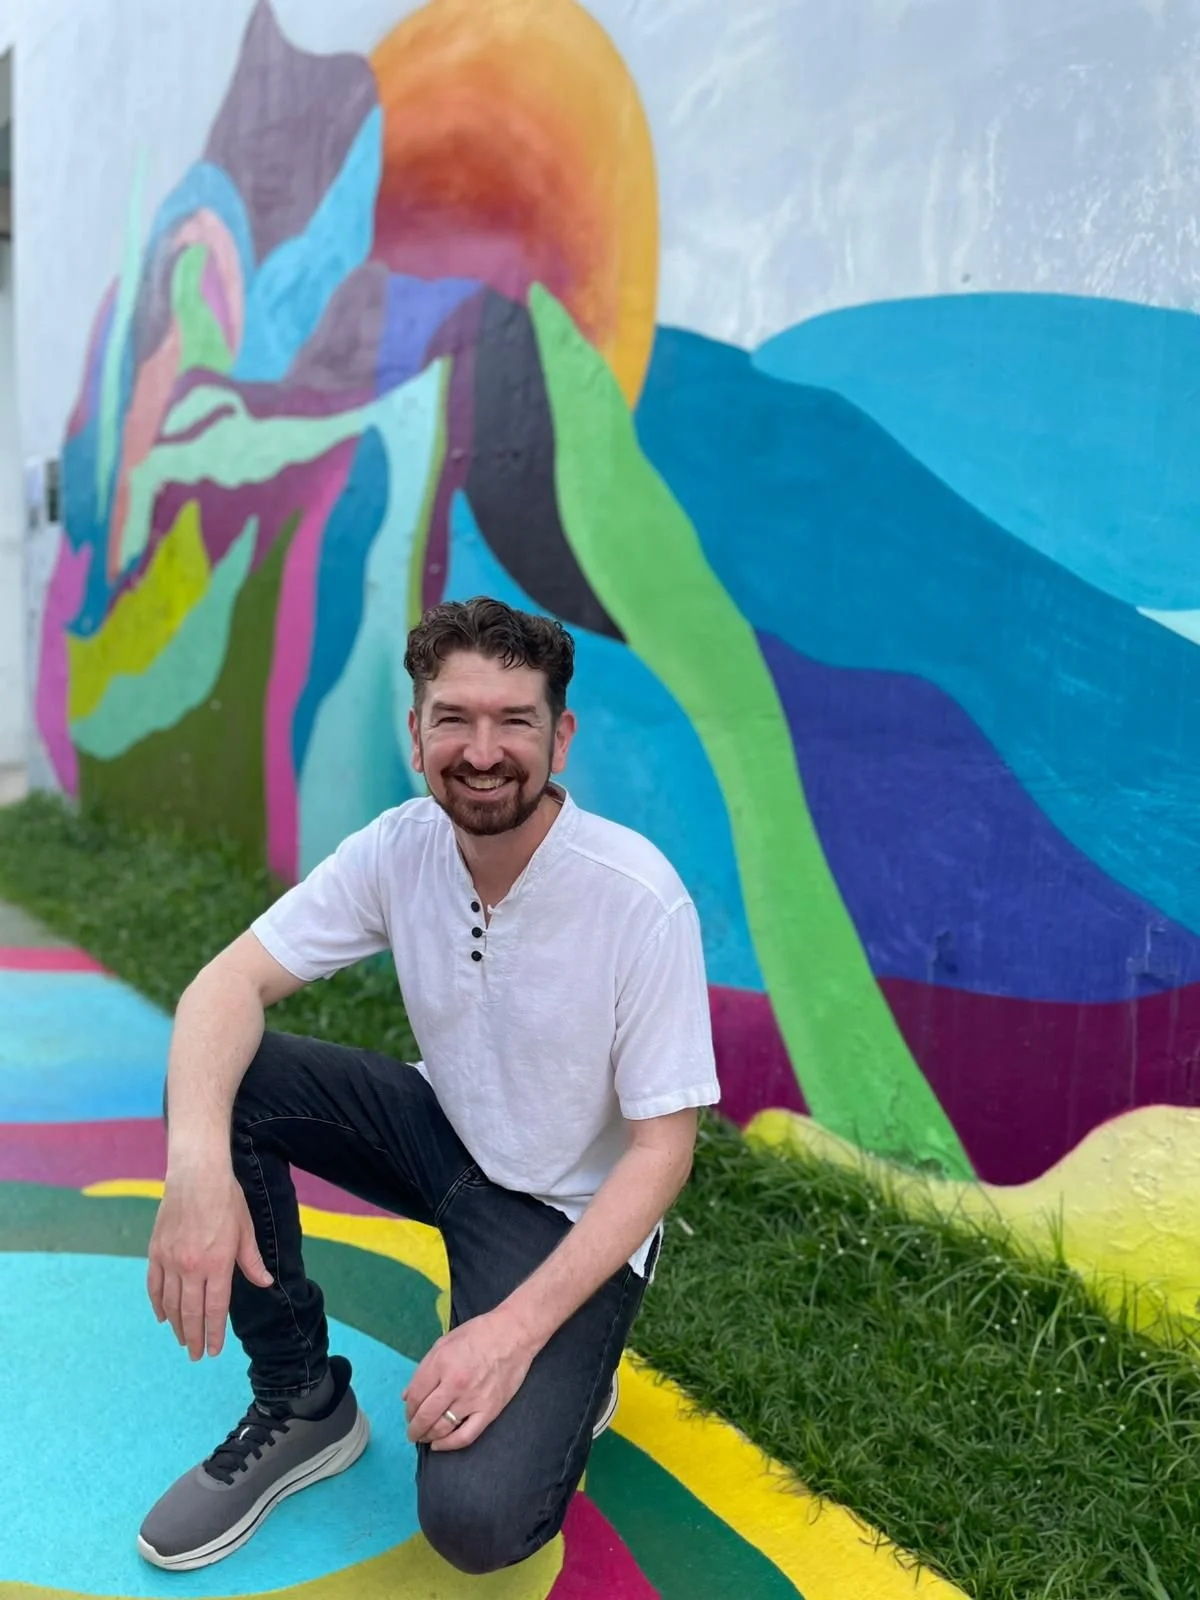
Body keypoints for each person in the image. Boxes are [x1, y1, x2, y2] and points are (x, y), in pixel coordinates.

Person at [137, 595, 720, 1575]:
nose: (481, 749)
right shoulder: (401, 846)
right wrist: (195, 1169)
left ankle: (571, 1364)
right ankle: (302, 1399)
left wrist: (513, 1330)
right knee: (223, 1075)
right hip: (442, 1134)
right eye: (454, 717)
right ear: (416, 735)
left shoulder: (638, 897)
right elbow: (224, 985)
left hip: (562, 1217)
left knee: (476, 1522)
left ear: (561, 737)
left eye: (514, 720)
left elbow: (665, 1150)